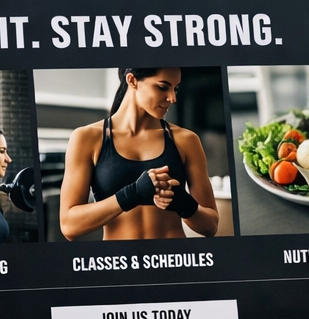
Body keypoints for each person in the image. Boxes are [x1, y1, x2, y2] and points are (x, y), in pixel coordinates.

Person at [59, 67, 220, 240]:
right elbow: (69, 226)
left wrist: (183, 202)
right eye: (162, 87)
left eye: (176, 88)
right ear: (132, 80)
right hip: (119, 263)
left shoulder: (186, 140)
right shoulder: (87, 138)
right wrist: (131, 195)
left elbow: (210, 227)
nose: (172, 98)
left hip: (174, 260)